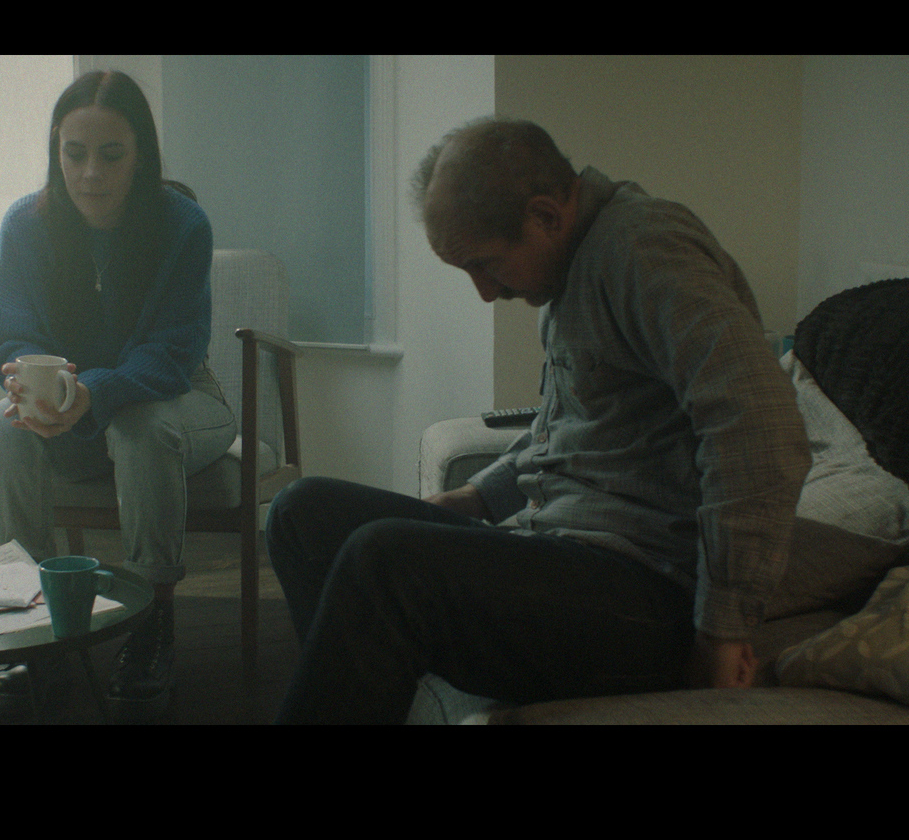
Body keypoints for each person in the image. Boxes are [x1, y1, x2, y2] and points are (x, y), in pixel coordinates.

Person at [266, 117, 811, 723]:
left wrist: (721, 630)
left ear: (547, 216)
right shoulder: (573, 272)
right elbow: (573, 426)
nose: (483, 291)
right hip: (562, 556)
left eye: (486, 265)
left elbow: (759, 422)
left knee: (384, 561)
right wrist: (477, 497)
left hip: (646, 598)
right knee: (302, 513)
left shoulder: (644, 248)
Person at [0, 70, 236, 724]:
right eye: (74, 153)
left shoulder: (183, 225)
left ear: (140, 155)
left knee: (139, 428)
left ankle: (153, 623)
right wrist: (30, 385)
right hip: (69, 404)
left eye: (110, 155)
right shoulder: (26, 224)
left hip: (179, 400)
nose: (89, 172)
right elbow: (11, 333)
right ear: (55, 151)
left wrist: (92, 392)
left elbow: (176, 349)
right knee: (5, 430)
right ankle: (36, 627)